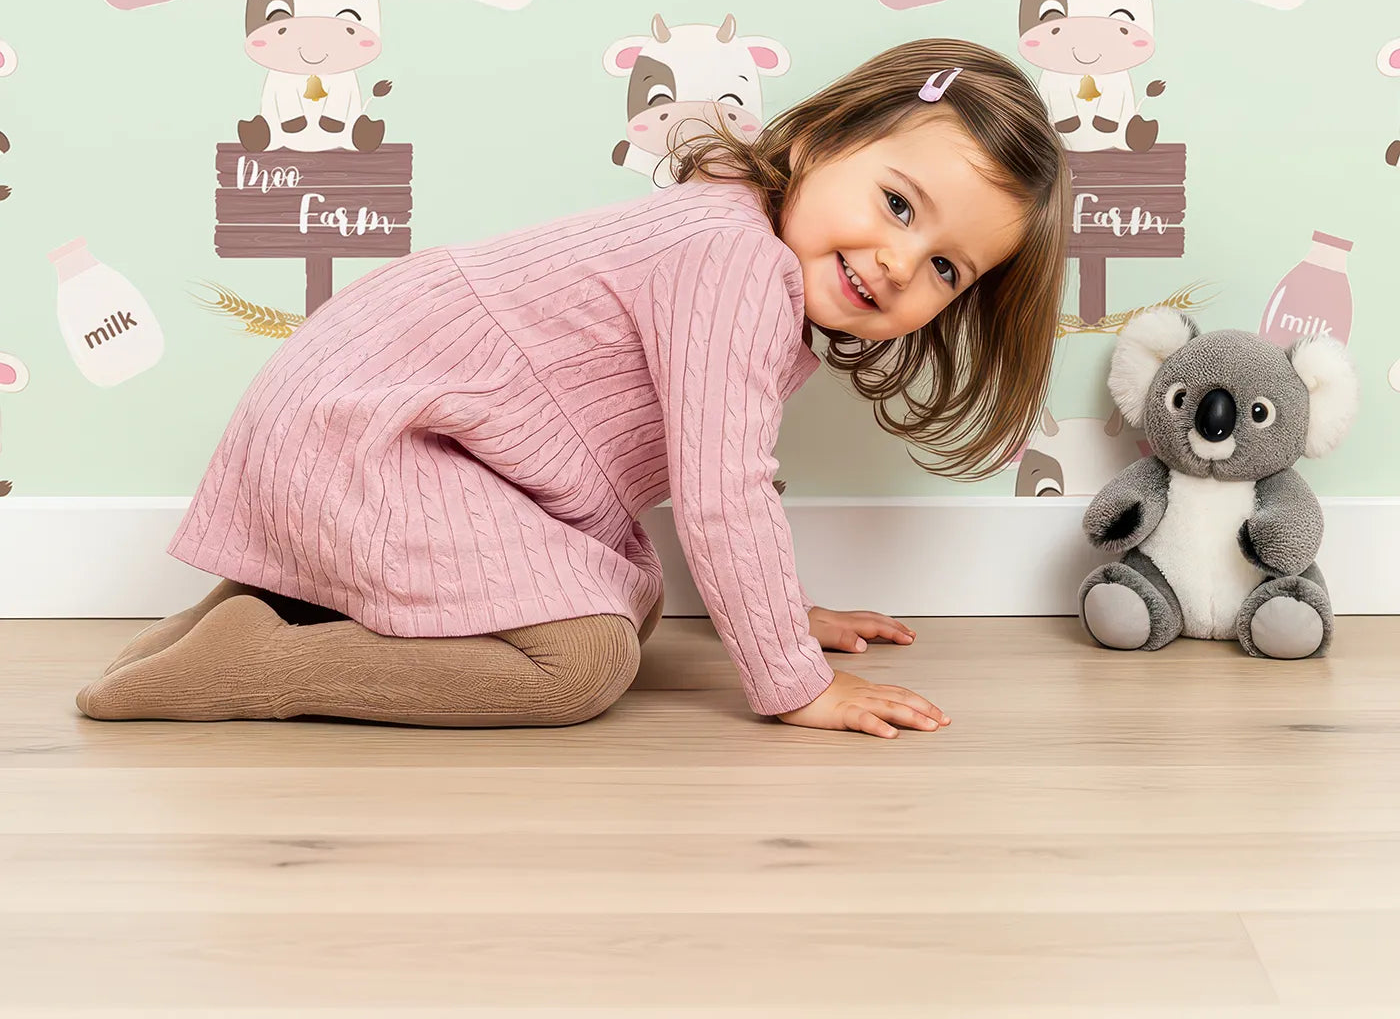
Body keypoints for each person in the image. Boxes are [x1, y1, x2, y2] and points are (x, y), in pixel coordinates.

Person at [76, 38, 1070, 738]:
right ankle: (264, 661)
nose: (900, 262)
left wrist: (786, 605)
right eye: (897, 204)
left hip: (367, 425)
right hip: (364, 434)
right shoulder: (733, 261)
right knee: (583, 661)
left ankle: (264, 604)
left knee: (617, 598)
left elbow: (722, 482)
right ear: (815, 143)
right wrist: (793, 680)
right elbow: (720, 488)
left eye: (945, 269)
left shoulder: (734, 240)